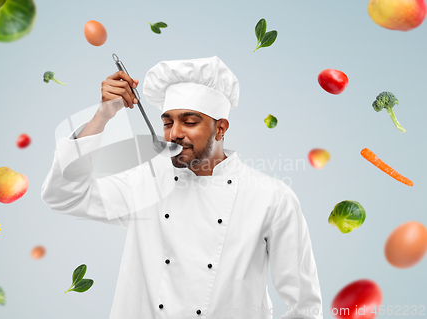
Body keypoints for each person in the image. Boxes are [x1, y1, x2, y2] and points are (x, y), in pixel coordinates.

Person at [41, 56, 323, 319]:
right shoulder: (148, 182)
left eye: (189, 121)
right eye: (167, 123)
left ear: (221, 128)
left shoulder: (271, 197)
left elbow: (305, 306)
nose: (174, 133)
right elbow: (65, 195)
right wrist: (102, 115)